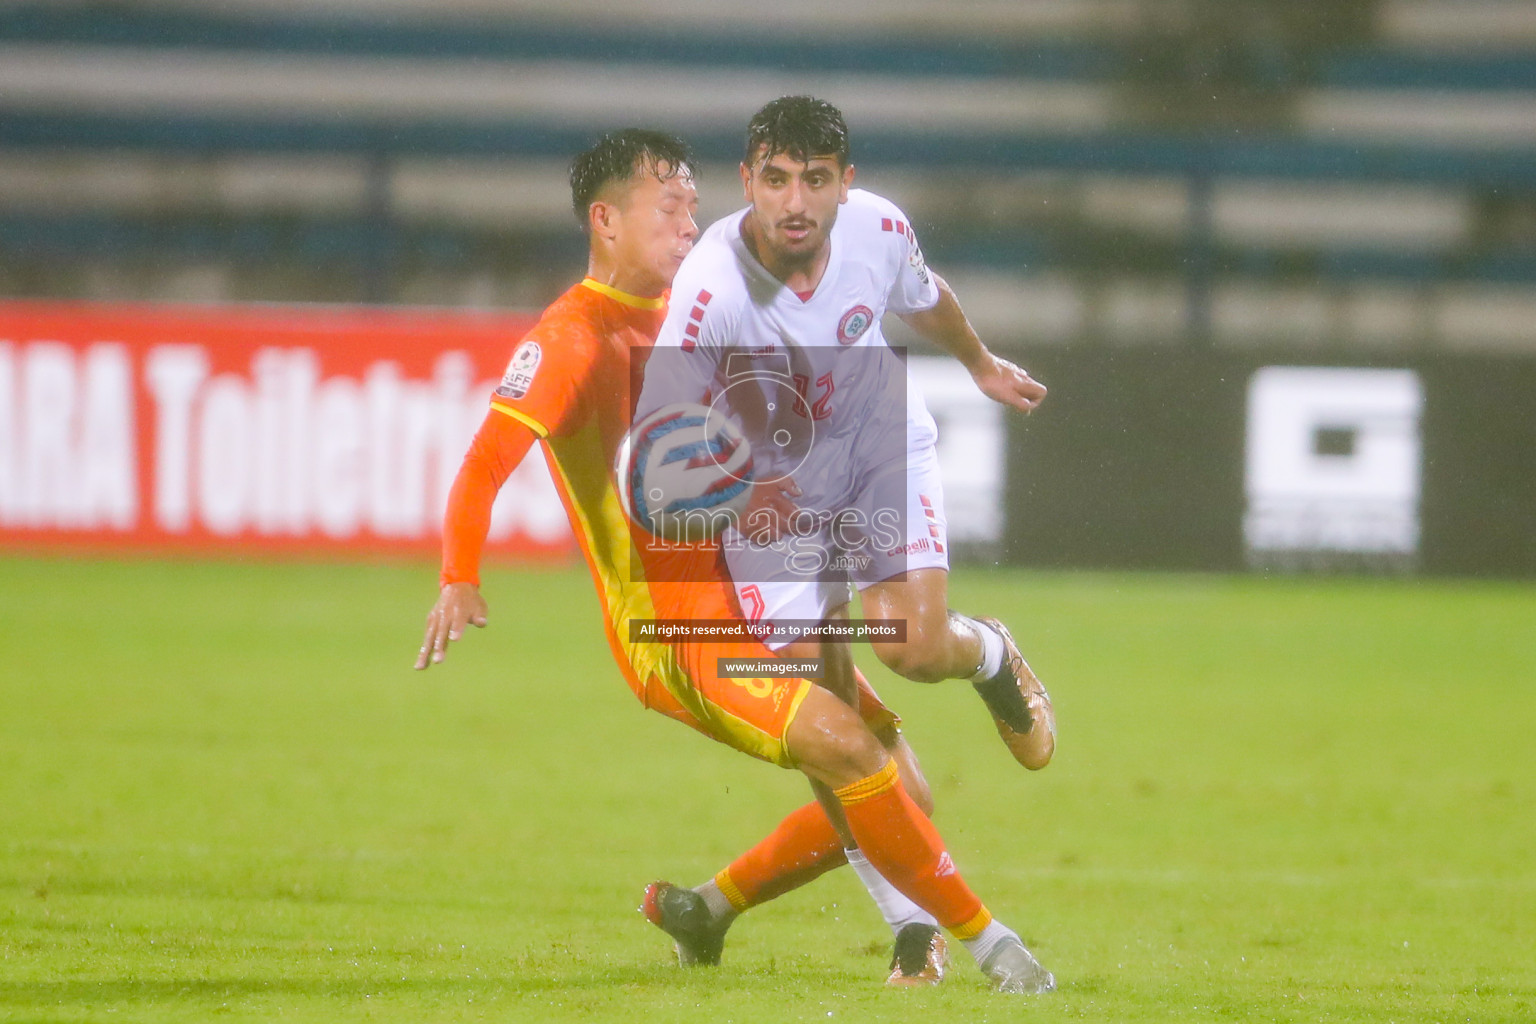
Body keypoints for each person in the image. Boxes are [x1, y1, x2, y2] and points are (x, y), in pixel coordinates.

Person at [415, 128, 1054, 994]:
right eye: (668, 203)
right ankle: (980, 944)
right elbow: (485, 460)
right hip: (676, 627)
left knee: (904, 792)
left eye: (692, 200)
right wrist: (460, 574)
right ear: (604, 220)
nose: (690, 217)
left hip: (756, 578)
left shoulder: (711, 292)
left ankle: (705, 911)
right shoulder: (575, 337)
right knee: (849, 752)